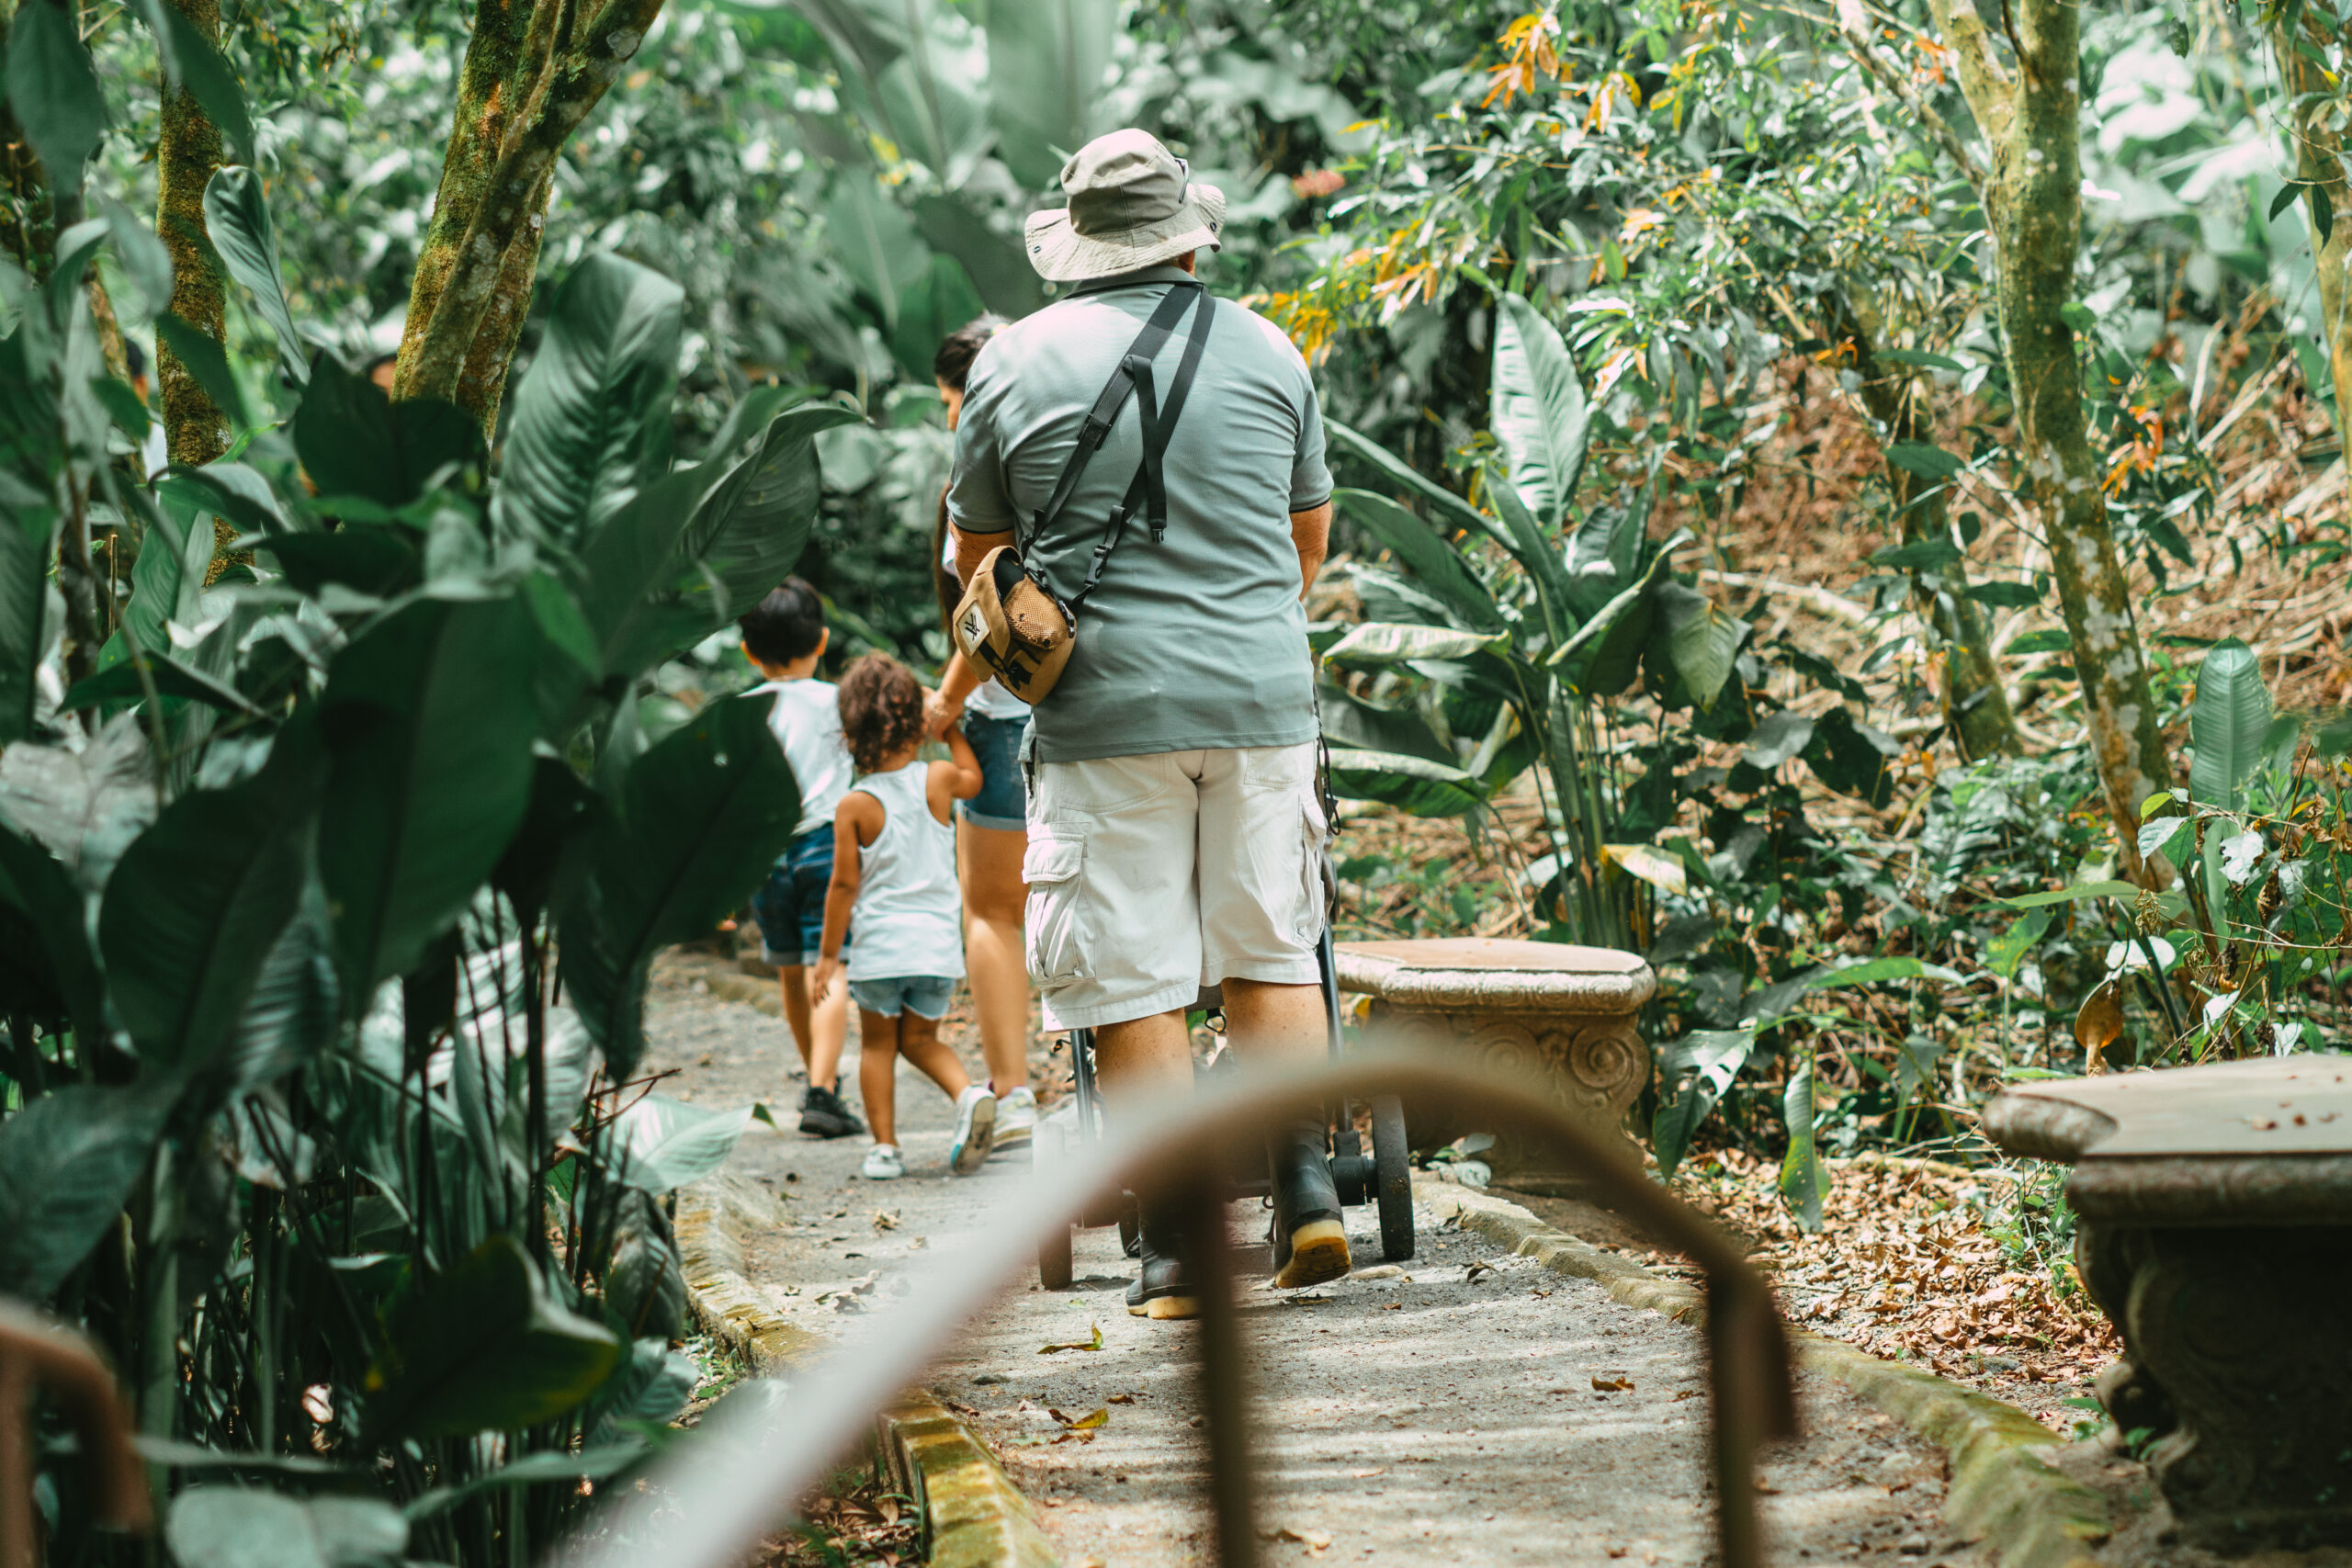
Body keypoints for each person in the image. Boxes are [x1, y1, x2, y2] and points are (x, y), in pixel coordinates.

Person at [943, 129, 1341, 1319]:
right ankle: (1310, 1188)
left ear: (1075, 239)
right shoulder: (1272, 350)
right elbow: (1303, 546)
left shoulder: (1012, 363)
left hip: (1102, 711)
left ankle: (1176, 1249)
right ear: (1187, 231)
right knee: (1272, 946)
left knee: (1135, 977)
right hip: (1261, 702)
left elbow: (974, 568)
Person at [922, 315, 1039, 1156]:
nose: (951, 419)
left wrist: (943, 701)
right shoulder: (1077, 451)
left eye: (951, 401)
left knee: (994, 910)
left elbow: (982, 616)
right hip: (1109, 707)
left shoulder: (974, 482)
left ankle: (1019, 1094)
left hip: (1004, 713)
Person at [810, 654, 997, 1180]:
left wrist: (828, 956)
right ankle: (967, 1097)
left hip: (880, 950)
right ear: (916, 722)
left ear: (850, 735)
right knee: (922, 1040)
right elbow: (974, 780)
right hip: (936, 947)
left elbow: (843, 886)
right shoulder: (938, 779)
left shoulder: (855, 804)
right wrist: (951, 728)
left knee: (878, 1047)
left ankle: (886, 1150)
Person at [740, 581, 865, 1139]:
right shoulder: (839, 701)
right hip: (826, 845)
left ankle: (822, 1084)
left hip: (764, 849)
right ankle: (822, 1088)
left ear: (747, 651)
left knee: (791, 968)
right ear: (822, 640)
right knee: (829, 965)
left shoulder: (740, 713)